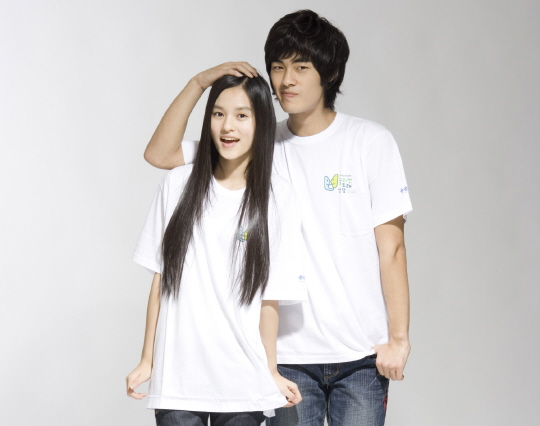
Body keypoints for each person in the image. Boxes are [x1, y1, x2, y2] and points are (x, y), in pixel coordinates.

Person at [143, 10, 413, 426]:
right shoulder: (257, 144)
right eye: (277, 67)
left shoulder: (369, 142)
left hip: (361, 353)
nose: (286, 80)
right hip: (285, 356)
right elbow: (161, 155)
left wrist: (398, 339)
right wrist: (199, 83)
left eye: (301, 68)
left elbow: (391, 247)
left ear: (329, 73)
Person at [126, 74, 308, 426]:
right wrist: (148, 359)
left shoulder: (278, 197)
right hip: (178, 379)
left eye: (242, 115)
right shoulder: (178, 184)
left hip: (243, 381)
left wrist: (270, 370)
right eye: (218, 113)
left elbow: (270, 296)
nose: (228, 126)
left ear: (261, 122)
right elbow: (161, 280)